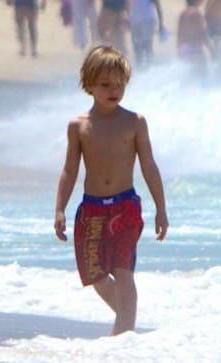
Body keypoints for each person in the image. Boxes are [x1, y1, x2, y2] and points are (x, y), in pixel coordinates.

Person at [54, 46, 168, 336]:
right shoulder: (78, 126)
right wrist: (59, 209)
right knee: (95, 275)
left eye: (120, 84)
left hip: (125, 207)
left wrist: (161, 209)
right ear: (88, 85)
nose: (114, 90)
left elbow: (150, 167)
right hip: (91, 209)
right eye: (106, 84)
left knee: (123, 269)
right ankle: (127, 323)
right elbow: (70, 171)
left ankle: (124, 333)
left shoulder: (134, 122)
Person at [177, 0, 213, 78]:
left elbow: (179, 33)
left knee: (189, 78)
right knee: (202, 77)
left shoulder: (182, 14)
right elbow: (202, 33)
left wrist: (179, 50)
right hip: (195, 49)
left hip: (184, 49)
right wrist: (210, 49)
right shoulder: (196, 13)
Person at [128, 0, 166, 68]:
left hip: (145, 21)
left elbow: (157, 6)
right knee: (138, 48)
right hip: (137, 21)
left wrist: (161, 25)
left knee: (146, 46)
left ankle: (148, 69)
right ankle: (142, 69)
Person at [204, 0, 221, 67]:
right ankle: (217, 64)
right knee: (217, 46)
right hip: (214, 27)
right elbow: (207, 15)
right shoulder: (213, 2)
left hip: (220, 27)